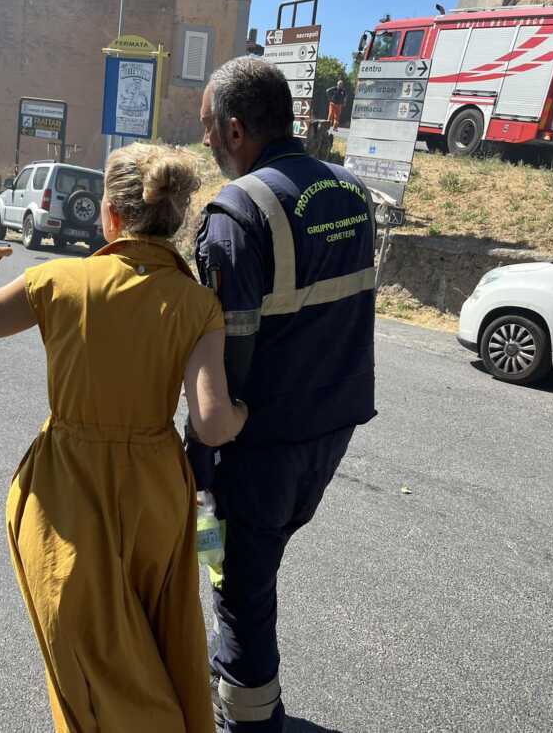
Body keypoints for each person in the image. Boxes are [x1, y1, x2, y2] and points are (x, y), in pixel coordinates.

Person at [0, 143, 249, 733]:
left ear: (109, 214)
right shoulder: (197, 303)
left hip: (66, 492)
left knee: (88, 659)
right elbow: (211, 423)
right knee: (156, 640)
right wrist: (245, 413)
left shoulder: (57, 281)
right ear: (174, 219)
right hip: (156, 493)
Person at [192, 57, 377, 732]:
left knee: (239, 582)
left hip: (262, 443)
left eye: (210, 127)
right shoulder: (350, 192)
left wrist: (199, 459)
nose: (207, 142)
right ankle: (233, 670)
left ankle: (247, 713)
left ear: (237, 129)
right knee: (261, 553)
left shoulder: (238, 212)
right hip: (333, 427)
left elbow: (224, 361)